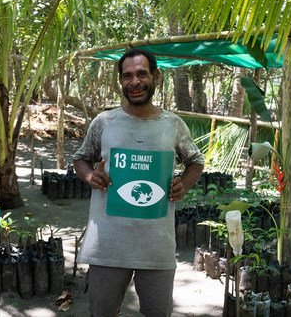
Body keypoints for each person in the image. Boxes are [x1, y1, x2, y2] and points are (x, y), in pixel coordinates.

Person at [73, 48, 204, 317]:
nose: (135, 82)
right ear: (120, 81)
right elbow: (81, 158)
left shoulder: (172, 124)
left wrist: (184, 183)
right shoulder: (104, 122)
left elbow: (196, 161)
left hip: (156, 247)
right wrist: (89, 175)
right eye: (127, 76)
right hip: (108, 246)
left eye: (141, 74)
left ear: (156, 76)